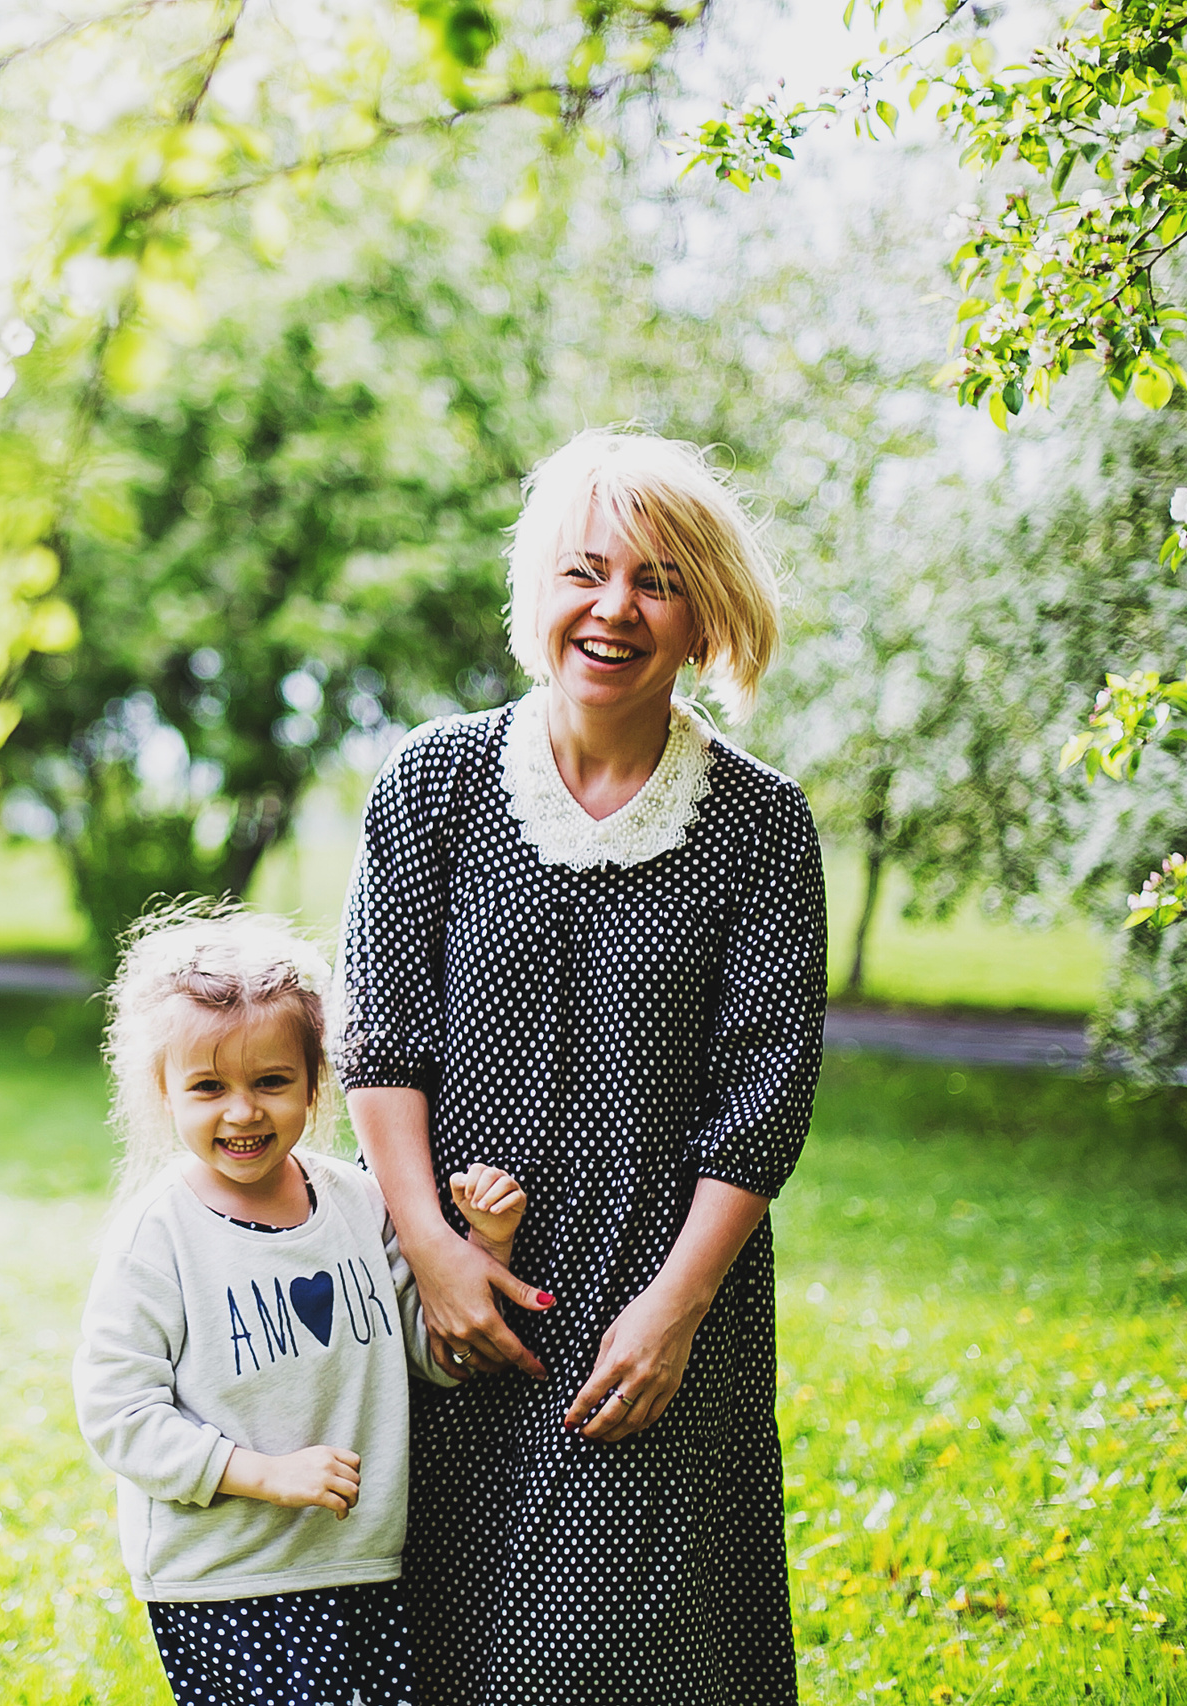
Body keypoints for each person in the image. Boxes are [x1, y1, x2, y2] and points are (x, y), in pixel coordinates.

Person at [339, 427, 828, 1706]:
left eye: (659, 580)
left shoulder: (762, 825)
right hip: (459, 1287)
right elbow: (382, 1038)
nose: (615, 607)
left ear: (704, 614)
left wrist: (674, 1308)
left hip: (660, 1306)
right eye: (585, 570)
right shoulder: (431, 784)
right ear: (535, 590)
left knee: (653, 1647)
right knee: (445, 1637)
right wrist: (432, 1251)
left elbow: (762, 1099)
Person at [72, 903, 538, 1706]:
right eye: (208, 1087)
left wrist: (486, 1246)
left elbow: (435, 1355)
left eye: (272, 1081)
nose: (243, 1111)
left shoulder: (359, 1202)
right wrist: (263, 1474)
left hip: (358, 1564)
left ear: (316, 1081)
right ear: (164, 1092)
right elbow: (117, 1411)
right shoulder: (160, 1235)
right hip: (224, 1579)